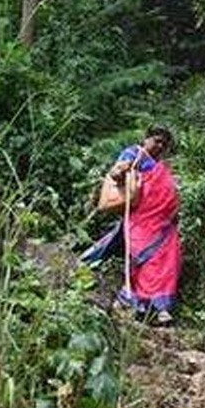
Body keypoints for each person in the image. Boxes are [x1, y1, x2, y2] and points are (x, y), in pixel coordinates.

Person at [81, 125, 181, 324]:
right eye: (157, 141)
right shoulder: (134, 154)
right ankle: (89, 265)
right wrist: (121, 171)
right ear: (146, 138)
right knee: (141, 255)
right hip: (141, 217)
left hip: (160, 221)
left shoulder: (160, 165)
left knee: (166, 258)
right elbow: (116, 173)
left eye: (164, 144)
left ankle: (155, 306)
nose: (160, 146)